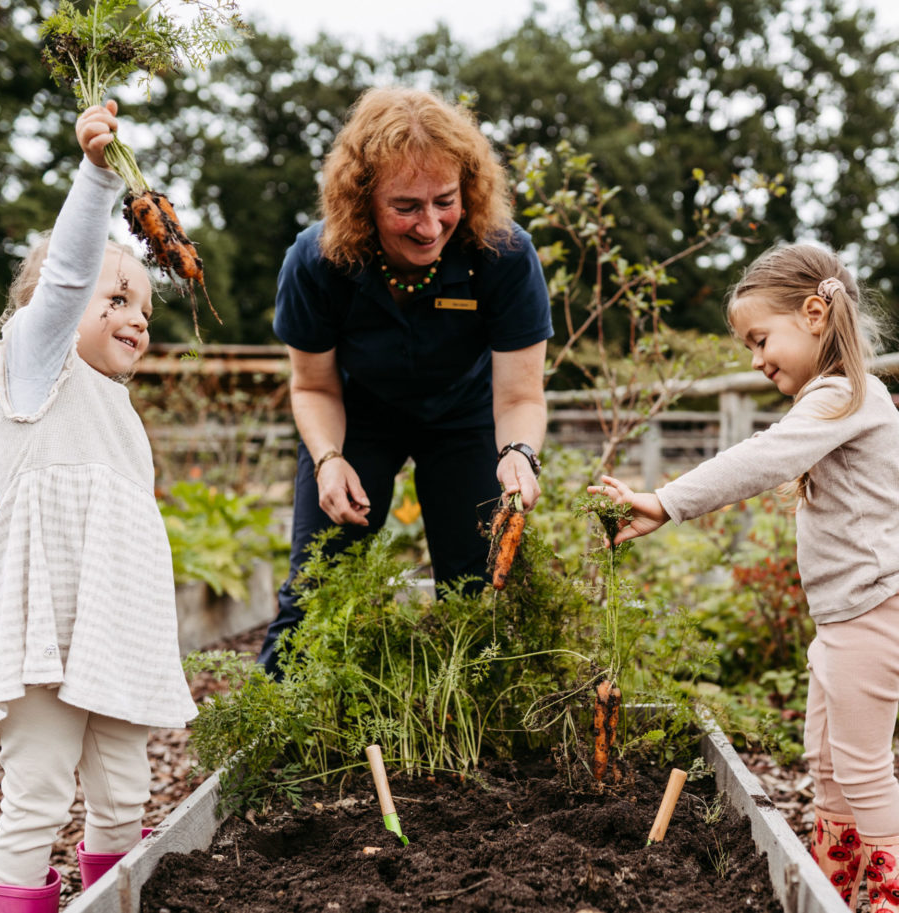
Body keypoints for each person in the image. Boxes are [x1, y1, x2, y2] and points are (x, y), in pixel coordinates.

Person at [587, 242, 899, 912]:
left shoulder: (845, 396)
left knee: (863, 767)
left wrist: (666, 500)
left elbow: (762, 457)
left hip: (874, 612)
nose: (757, 361)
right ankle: (832, 885)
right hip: (849, 617)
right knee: (826, 760)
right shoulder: (845, 397)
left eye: (761, 339)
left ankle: (888, 898)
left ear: (815, 313)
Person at [0, 100, 198, 913]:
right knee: (37, 789)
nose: (136, 317)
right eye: (116, 300)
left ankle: (112, 901)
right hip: (45, 631)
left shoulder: (120, 413)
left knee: (125, 790)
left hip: (115, 636)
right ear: (53, 310)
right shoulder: (37, 373)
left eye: (144, 307)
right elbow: (69, 273)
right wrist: (98, 177)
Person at [256, 86, 554, 677]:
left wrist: (519, 453)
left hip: (466, 421)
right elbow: (313, 386)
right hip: (358, 420)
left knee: (481, 591)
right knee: (320, 586)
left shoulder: (504, 255)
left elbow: (520, 395)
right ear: (361, 201)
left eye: (445, 201)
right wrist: (328, 458)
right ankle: (278, 733)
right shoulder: (317, 262)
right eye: (405, 207)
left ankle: (483, 733)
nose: (429, 225)